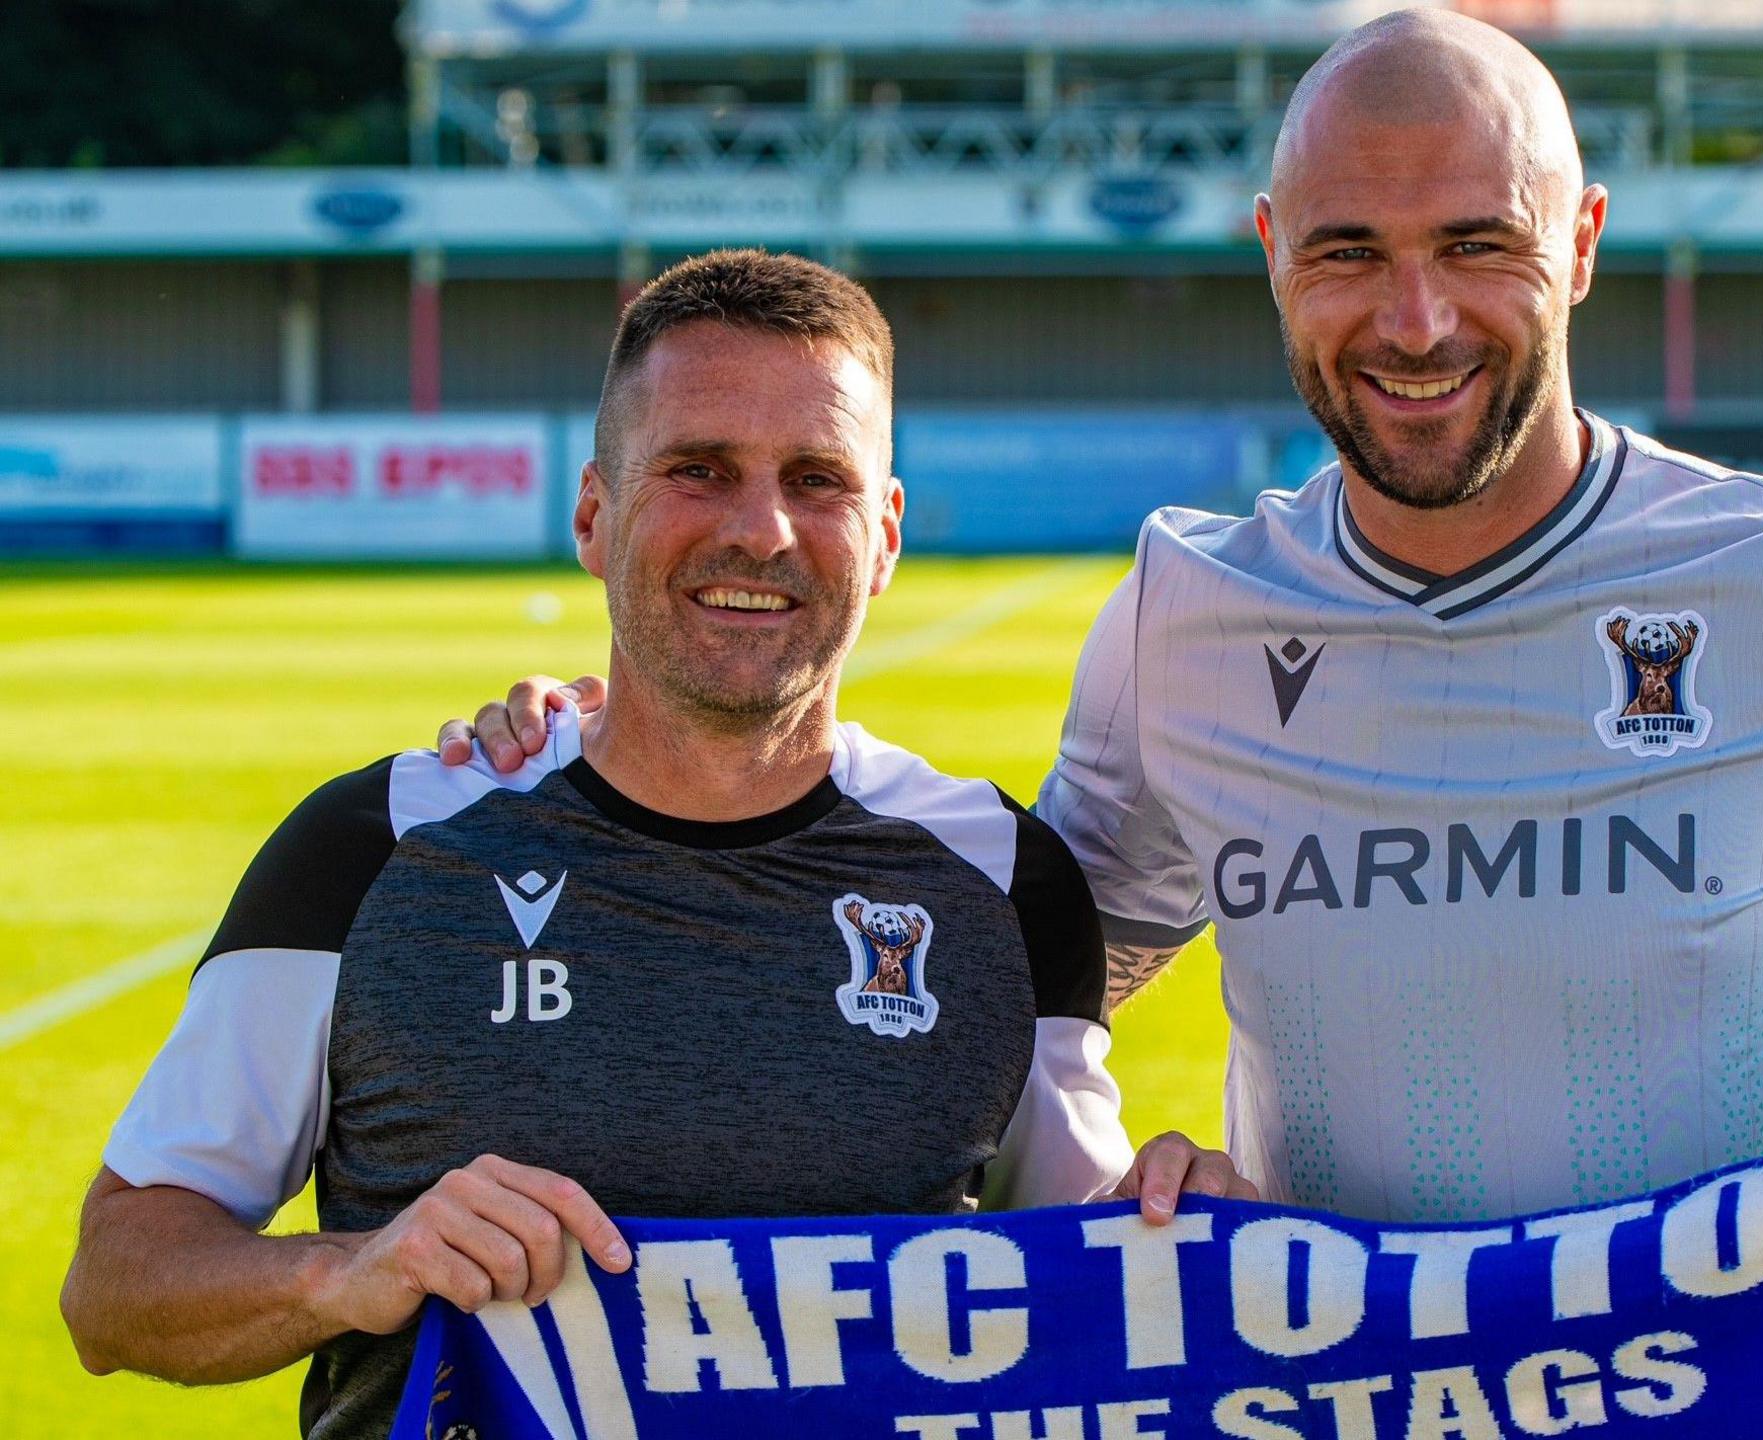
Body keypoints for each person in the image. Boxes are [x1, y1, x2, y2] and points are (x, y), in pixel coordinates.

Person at [449, 12, 1763, 1244]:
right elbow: (973, 983)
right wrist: (617, 767)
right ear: (1271, 252)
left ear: (1576, 243)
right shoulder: (1189, 617)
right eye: (1348, 254)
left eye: (1475, 246)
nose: (1413, 321)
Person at [60, 250, 1247, 1440]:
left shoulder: (1004, 881)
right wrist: (348, 1270)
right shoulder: (372, 848)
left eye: (817, 478)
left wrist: (1182, 1224)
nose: (762, 529)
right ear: (593, 513)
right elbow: (116, 1286)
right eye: (698, 470)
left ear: (884, 536)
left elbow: (1087, 1274)